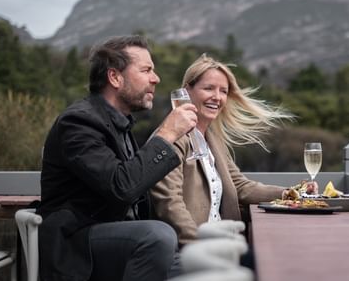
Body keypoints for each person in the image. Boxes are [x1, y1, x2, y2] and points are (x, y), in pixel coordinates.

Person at [38, 35, 198, 281]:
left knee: (207, 267)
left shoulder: (118, 125)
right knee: (157, 236)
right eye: (146, 70)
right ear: (115, 77)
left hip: (118, 240)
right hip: (77, 246)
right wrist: (167, 133)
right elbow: (121, 186)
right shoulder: (79, 122)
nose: (156, 79)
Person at [150, 54, 306, 246]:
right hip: (194, 250)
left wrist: (294, 193)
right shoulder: (171, 139)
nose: (217, 97)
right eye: (208, 88)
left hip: (224, 241)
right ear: (186, 91)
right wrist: (199, 245)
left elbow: (241, 186)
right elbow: (169, 203)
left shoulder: (213, 140)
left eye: (223, 91)